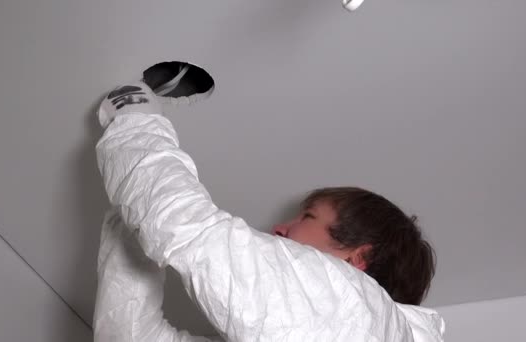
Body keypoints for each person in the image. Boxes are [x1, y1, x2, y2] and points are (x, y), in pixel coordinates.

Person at [92, 81, 445, 341]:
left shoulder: (355, 314)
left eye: (307, 217)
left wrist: (135, 121)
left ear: (356, 260)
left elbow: (190, 231)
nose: (278, 228)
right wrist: (131, 217)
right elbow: (127, 336)